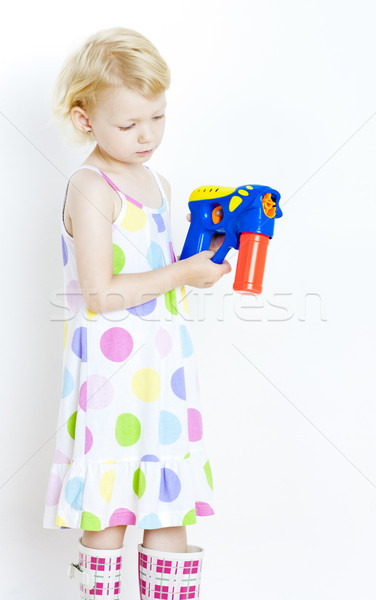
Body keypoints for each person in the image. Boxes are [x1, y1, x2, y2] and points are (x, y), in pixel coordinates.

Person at [43, 27, 231, 600]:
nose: (146, 136)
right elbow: (102, 293)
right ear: (84, 119)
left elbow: (160, 286)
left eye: (157, 117)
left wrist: (205, 262)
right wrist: (180, 274)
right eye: (128, 124)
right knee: (110, 510)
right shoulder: (91, 187)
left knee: (168, 508)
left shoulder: (158, 184)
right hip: (113, 381)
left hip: (166, 378)